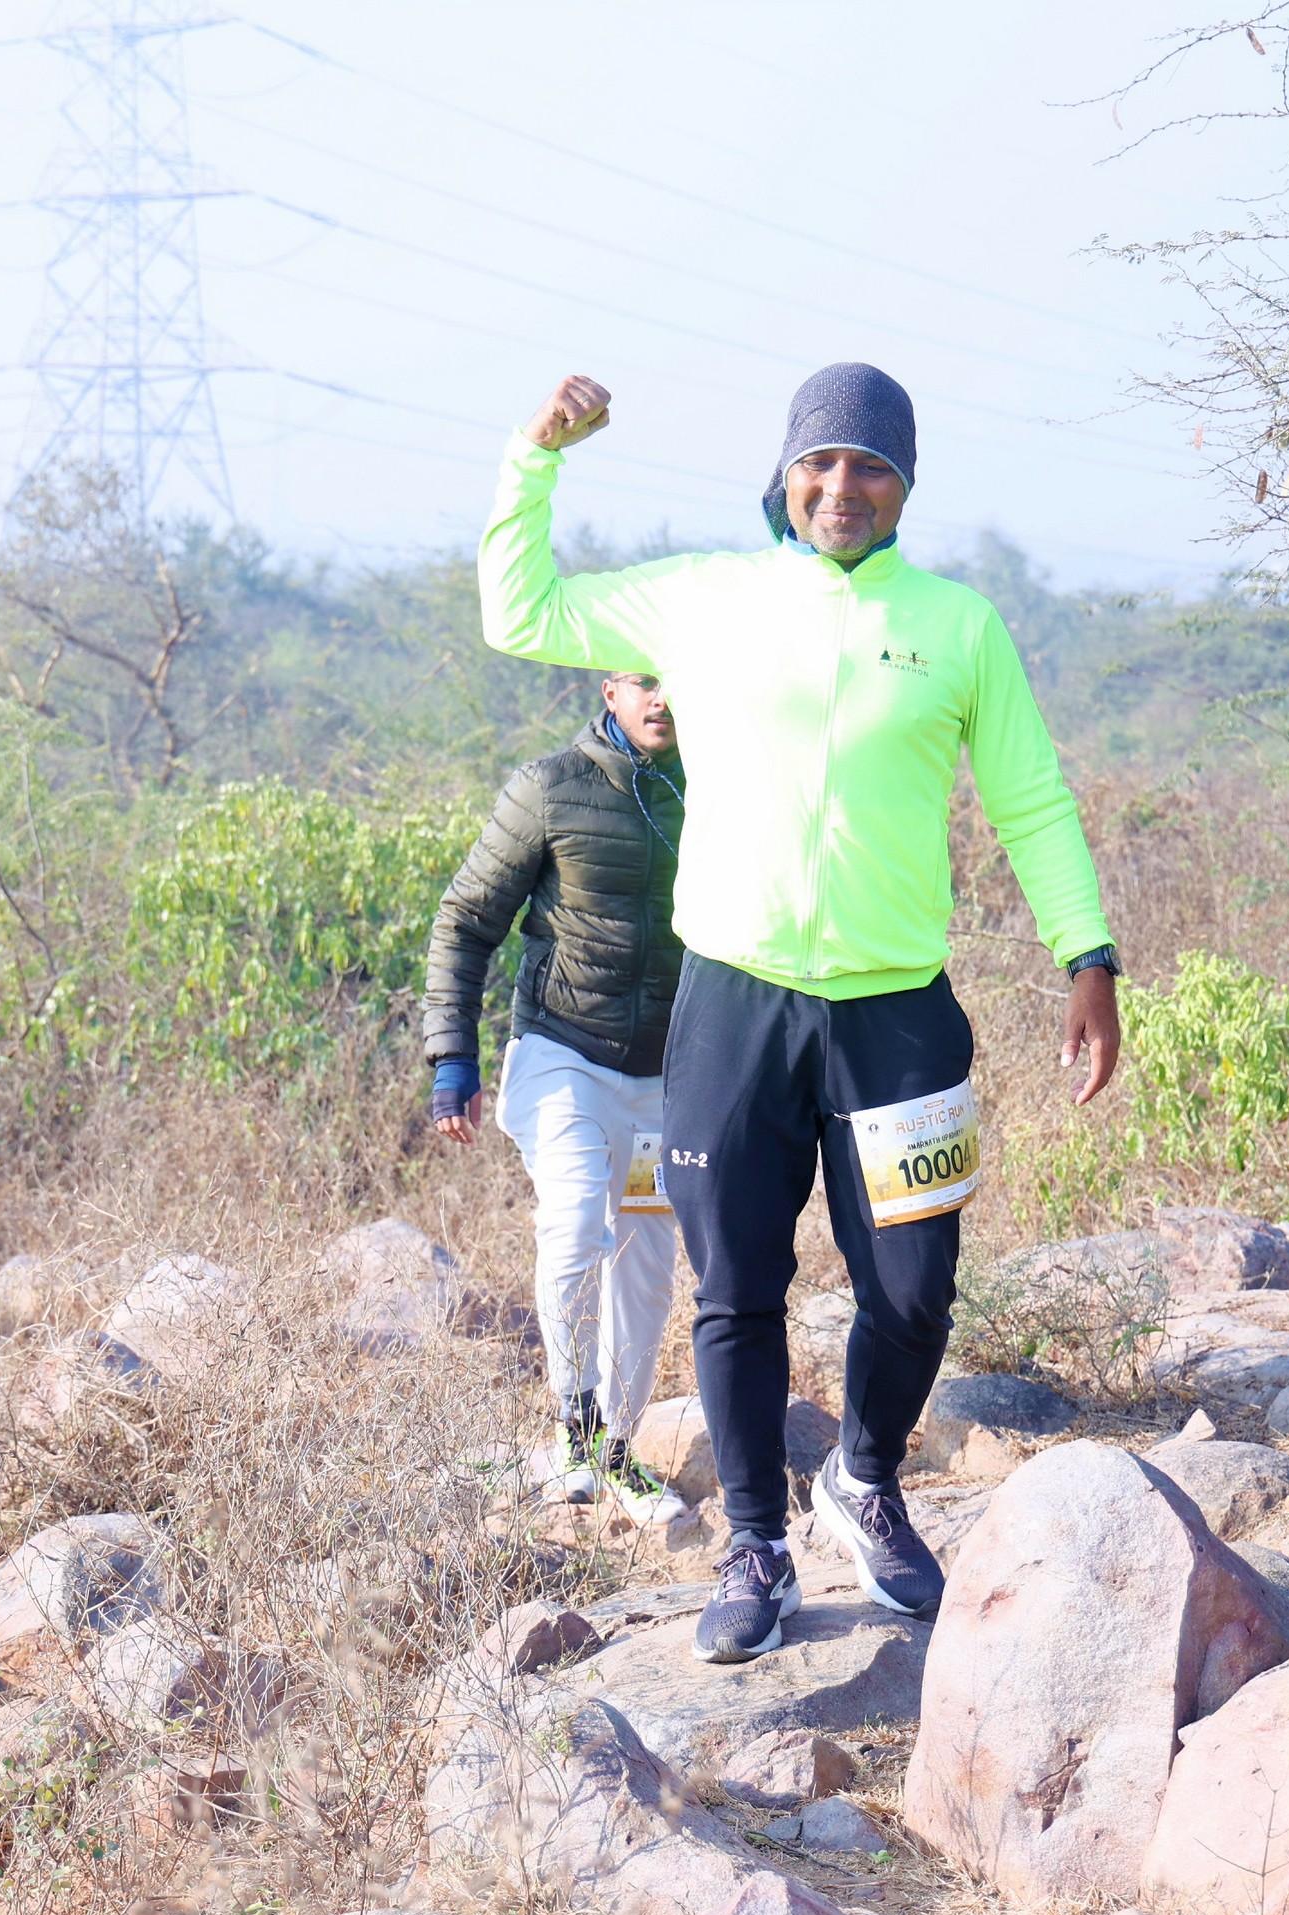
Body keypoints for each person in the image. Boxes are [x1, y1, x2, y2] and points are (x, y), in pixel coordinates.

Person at [478, 364, 1126, 1667]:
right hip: (732, 1003)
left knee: (915, 1290)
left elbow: (1032, 801)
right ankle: (753, 1546)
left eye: (869, 466)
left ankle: (863, 1476)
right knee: (736, 1284)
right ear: (783, 474)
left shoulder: (956, 626)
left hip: (896, 1015)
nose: (842, 487)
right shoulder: (703, 597)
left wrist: (1088, 954)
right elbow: (521, 608)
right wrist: (534, 453)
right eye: (818, 463)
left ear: (904, 485)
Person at [425, 670, 689, 1508]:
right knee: (576, 1217)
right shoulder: (548, 786)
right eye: (643, 682)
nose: (661, 699)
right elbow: (465, 919)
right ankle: (573, 1421)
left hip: (663, 1079)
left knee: (646, 1263)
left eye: (674, 679)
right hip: (563, 1055)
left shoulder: (714, 786)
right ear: (610, 690)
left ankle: (617, 1449)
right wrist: (452, 1059)